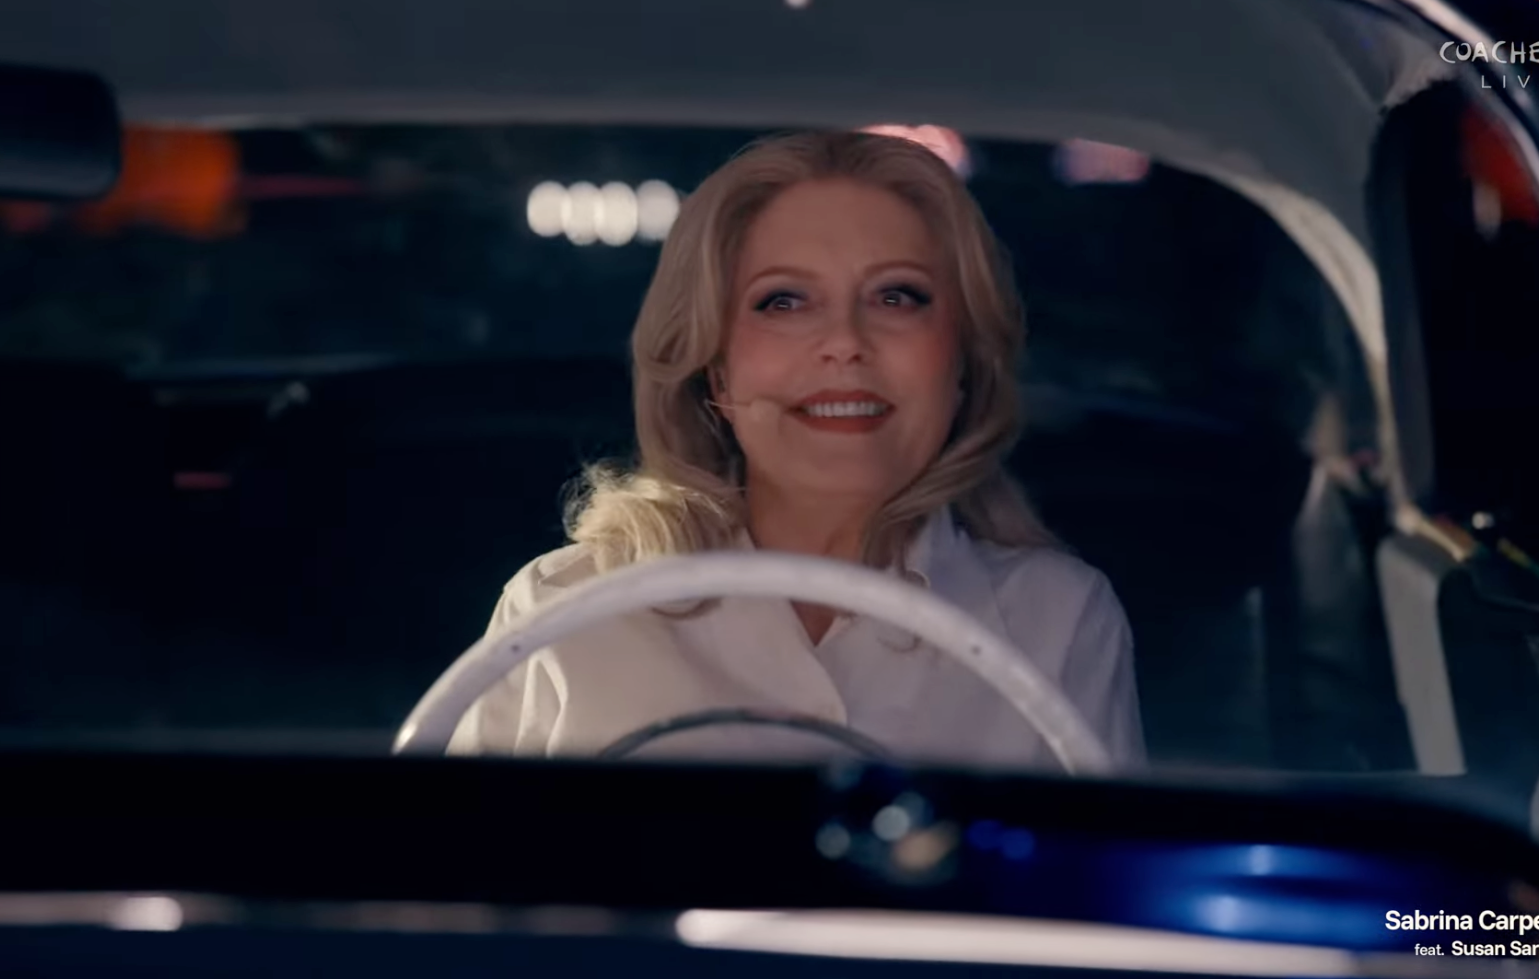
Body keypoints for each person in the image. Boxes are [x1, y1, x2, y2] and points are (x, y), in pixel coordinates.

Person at [449, 130, 1146, 769]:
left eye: (897, 297)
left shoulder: (1059, 620)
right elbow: (455, 891)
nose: (844, 342)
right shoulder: (566, 609)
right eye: (782, 301)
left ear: (960, 360)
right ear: (713, 366)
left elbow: (1108, 891)